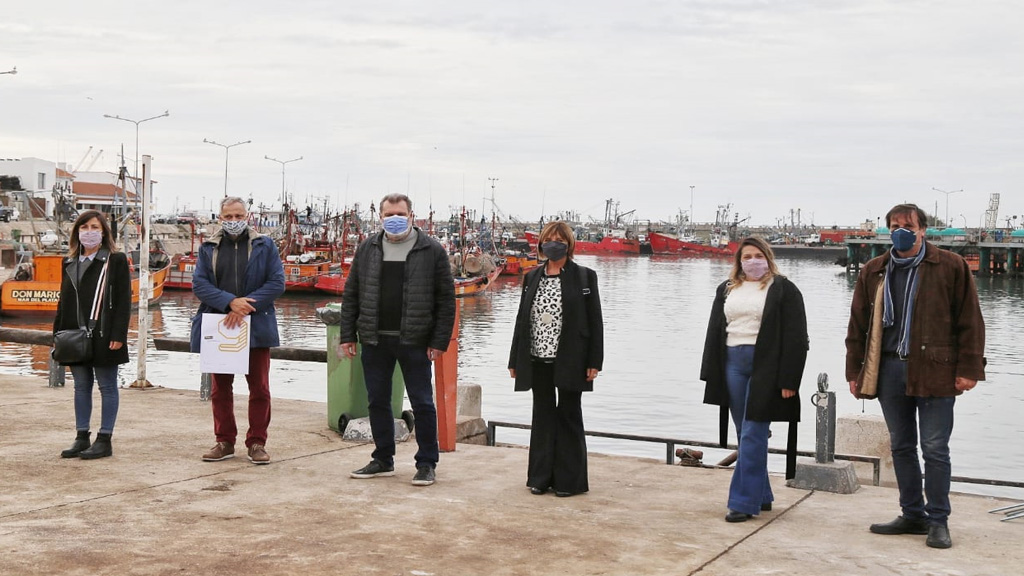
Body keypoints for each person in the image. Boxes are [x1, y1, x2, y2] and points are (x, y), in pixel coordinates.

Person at [846, 203, 985, 549]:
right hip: (889, 368)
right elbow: (858, 325)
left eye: (907, 225)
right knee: (902, 446)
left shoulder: (949, 266)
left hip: (936, 370)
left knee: (935, 449)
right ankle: (912, 514)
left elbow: (970, 321)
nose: (900, 230)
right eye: (894, 225)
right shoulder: (875, 270)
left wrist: (969, 370)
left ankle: (938, 520)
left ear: (923, 229)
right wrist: (854, 371)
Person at [339, 193, 455, 486]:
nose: (394, 219)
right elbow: (351, 293)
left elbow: (446, 300)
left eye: (400, 214)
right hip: (375, 339)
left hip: (416, 341)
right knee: (377, 400)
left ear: (412, 216)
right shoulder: (368, 248)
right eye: (388, 215)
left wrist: (439, 341)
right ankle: (382, 459)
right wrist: (347, 335)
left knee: (422, 403)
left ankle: (427, 463)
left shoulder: (431, 250)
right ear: (380, 218)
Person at [700, 236, 808, 522]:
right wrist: (710, 372)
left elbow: (797, 338)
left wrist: (790, 380)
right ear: (739, 261)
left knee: (753, 431)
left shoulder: (784, 289)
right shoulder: (726, 289)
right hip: (732, 363)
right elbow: (715, 331)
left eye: (758, 255)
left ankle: (742, 502)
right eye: (746, 256)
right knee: (744, 432)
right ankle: (762, 494)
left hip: (767, 367)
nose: (752, 261)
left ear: (768, 257)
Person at [508, 221, 604, 497]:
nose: (554, 243)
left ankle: (569, 481)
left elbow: (595, 321)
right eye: (549, 238)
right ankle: (540, 477)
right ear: (541, 243)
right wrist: (515, 358)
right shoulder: (532, 276)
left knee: (569, 415)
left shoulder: (585, 277)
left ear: (569, 243)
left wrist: (594, 361)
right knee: (542, 415)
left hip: (572, 357)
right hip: (537, 356)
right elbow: (521, 319)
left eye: (560, 239)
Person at [190, 196, 285, 465]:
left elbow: (277, 282)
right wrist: (229, 302)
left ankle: (257, 442)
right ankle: (224, 441)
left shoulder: (264, 245)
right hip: (219, 325)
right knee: (220, 388)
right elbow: (199, 284)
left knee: (260, 388)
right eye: (228, 217)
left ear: (248, 216)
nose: (234, 221)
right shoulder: (208, 247)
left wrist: (244, 306)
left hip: (255, 324)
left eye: (238, 216)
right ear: (220, 217)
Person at [55, 210, 132, 460]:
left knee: (107, 386)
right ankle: (81, 436)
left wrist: (119, 333)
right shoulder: (69, 262)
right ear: (77, 231)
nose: (89, 231)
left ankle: (104, 439)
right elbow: (63, 302)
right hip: (74, 334)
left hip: (105, 333)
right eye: (85, 226)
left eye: (95, 227)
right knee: (81, 386)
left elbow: (123, 301)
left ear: (104, 232)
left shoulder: (115, 260)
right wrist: (57, 335)